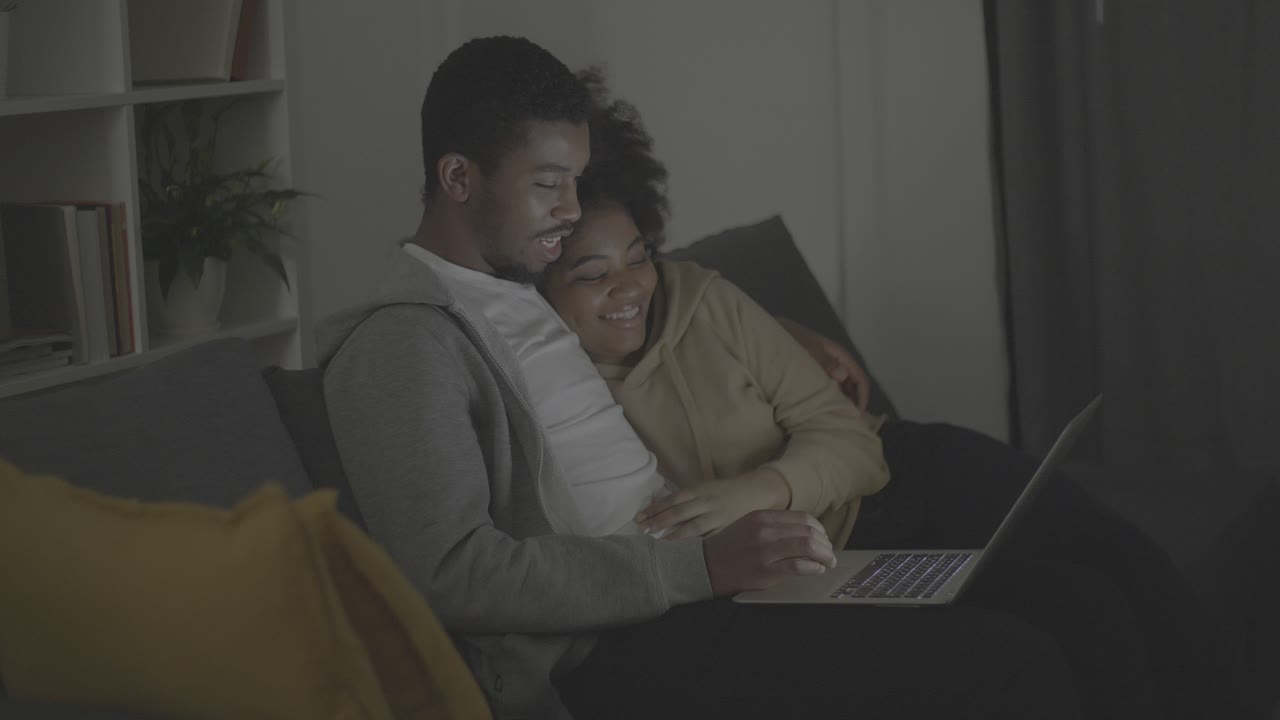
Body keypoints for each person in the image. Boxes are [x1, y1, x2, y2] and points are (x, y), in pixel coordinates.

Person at [319, 36, 1087, 719]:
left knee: (1043, 601)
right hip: (624, 646)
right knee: (1007, 661)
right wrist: (698, 567)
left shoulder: (526, 286)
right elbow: (453, 572)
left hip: (713, 586)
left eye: (577, 182)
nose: (570, 209)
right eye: (548, 184)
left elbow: (639, 295)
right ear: (458, 177)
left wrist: (781, 333)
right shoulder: (401, 344)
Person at [538, 71, 1246, 720]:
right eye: (593, 274)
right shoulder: (562, 400)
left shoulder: (699, 295)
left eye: (638, 258)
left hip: (896, 466)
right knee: (1076, 608)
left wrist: (757, 486)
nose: (629, 287)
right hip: (839, 549)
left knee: (1113, 551)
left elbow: (850, 441)